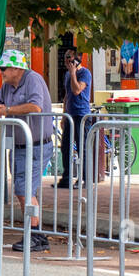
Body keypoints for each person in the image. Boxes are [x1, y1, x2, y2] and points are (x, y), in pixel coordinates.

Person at [0, 50, 54, 252]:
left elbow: (36, 107)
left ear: (16, 68)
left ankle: (35, 233)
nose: (1, 73)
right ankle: (37, 233)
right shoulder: (7, 86)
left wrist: (7, 110)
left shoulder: (33, 80)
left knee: (23, 189)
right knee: (23, 188)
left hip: (36, 145)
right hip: (17, 146)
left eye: (4, 69)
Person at [57, 46, 93, 189]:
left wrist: (73, 73)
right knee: (65, 147)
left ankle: (84, 179)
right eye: (65, 57)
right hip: (70, 115)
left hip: (81, 115)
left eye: (69, 57)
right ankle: (66, 178)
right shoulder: (67, 75)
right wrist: (64, 115)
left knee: (82, 147)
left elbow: (77, 90)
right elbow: (67, 95)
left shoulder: (85, 73)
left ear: (78, 59)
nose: (66, 60)